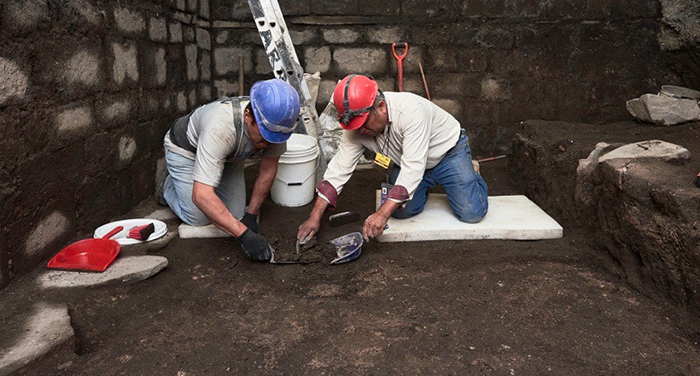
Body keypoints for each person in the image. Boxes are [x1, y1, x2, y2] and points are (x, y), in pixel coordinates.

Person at [297, 74, 488, 243]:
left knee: (471, 213)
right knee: (399, 212)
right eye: (355, 126)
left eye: (363, 123)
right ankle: (423, 186)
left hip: (448, 153)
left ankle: (471, 173)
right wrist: (314, 216)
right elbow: (338, 170)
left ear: (380, 107)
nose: (360, 130)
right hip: (409, 160)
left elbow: (413, 168)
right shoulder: (356, 129)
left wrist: (381, 214)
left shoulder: (411, 112)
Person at [156, 78, 300, 262]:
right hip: (185, 150)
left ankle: (209, 176)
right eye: (264, 138)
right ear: (248, 116)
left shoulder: (276, 125)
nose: (269, 143)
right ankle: (167, 186)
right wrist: (245, 236)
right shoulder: (220, 128)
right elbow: (201, 195)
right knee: (199, 217)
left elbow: (267, 171)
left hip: (228, 156)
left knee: (235, 215)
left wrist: (250, 216)